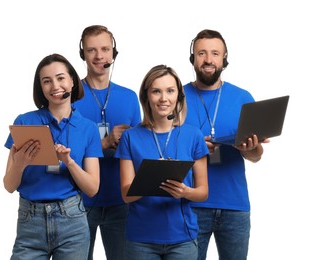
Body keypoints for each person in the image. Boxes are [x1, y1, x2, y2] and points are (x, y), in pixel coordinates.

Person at [3, 53, 103, 260]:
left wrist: (69, 162)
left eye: (60, 78)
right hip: (30, 221)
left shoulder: (88, 128)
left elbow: (92, 189)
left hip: (72, 221)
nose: (55, 86)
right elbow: (9, 185)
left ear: (72, 81)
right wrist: (19, 164)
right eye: (46, 81)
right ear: (40, 87)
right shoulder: (24, 122)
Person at [184, 29, 268, 260]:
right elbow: (162, 148)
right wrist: (194, 149)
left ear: (224, 59)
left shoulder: (243, 98)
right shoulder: (175, 97)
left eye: (214, 53)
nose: (208, 60)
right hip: (190, 205)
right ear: (193, 58)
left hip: (235, 206)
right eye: (201, 53)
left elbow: (256, 155)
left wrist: (251, 149)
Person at [115, 64, 209, 260]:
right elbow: (125, 194)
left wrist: (185, 192)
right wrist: (149, 178)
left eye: (170, 91)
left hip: (183, 239)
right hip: (141, 240)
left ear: (179, 96)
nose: (164, 98)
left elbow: (203, 192)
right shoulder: (130, 137)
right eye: (156, 91)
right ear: (147, 96)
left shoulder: (193, 135)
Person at [73, 25, 141, 260]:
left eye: (104, 49)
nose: (99, 56)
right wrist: (104, 143)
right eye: (91, 50)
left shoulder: (131, 97)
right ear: (83, 54)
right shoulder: (69, 96)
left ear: (114, 54)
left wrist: (131, 143)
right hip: (79, 202)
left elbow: (139, 153)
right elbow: (61, 153)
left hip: (121, 201)